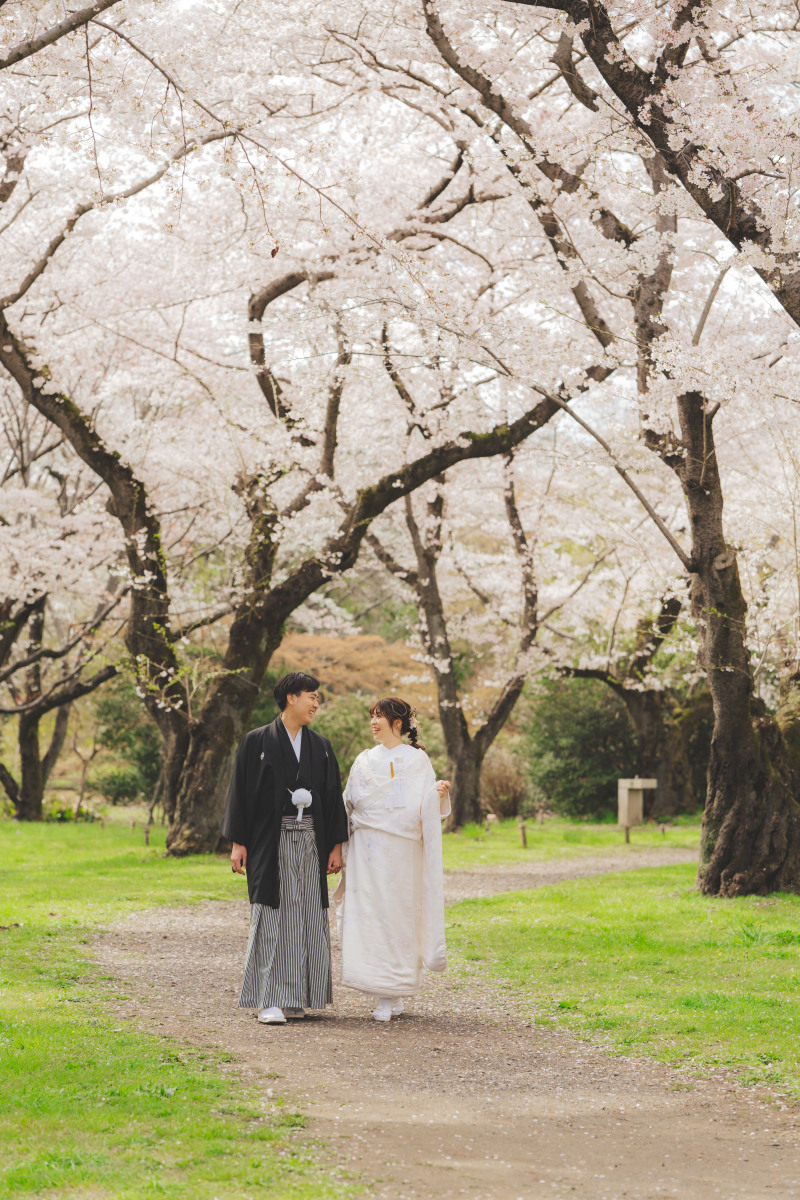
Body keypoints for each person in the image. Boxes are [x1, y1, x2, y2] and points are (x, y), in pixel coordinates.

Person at [220, 671, 348, 1025]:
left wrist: (335, 846)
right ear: (291, 697)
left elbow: (333, 799)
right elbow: (240, 794)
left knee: (307, 913)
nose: (316, 703)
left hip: (310, 839)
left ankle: (298, 997)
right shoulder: (256, 741)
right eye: (311, 696)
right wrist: (238, 842)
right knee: (272, 913)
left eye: (318, 697)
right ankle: (269, 999)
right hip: (268, 839)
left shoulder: (320, 746)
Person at [337, 697, 451, 1021]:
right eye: (371, 717)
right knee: (371, 915)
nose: (373, 723)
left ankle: (395, 989)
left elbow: (425, 805)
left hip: (403, 851)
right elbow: (348, 802)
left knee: (401, 915)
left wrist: (438, 794)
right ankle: (383, 994)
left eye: (379, 717)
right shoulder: (363, 760)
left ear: (397, 723)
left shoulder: (417, 760)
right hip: (368, 851)